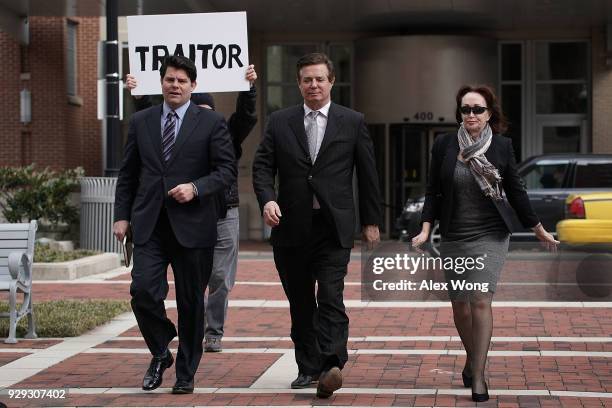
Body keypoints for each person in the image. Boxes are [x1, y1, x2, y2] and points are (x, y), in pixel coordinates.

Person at [412, 84, 558, 402]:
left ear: (489, 114)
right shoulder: (444, 145)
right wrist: (425, 230)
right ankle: (471, 357)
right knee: (460, 306)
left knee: (479, 300)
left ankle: (478, 374)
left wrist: (538, 228)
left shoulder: (502, 146)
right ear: (460, 114)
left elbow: (516, 190)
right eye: (466, 109)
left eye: (478, 109)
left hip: (491, 234)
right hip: (454, 234)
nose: (472, 114)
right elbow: (433, 190)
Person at [252, 52, 382, 398]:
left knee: (330, 295)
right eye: (307, 79)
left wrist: (371, 220)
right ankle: (307, 368)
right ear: (298, 84)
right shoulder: (280, 122)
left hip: (332, 226)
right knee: (300, 303)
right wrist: (267, 199)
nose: (313, 85)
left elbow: (368, 174)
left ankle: (331, 365)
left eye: (319, 79)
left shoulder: (351, 121)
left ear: (331, 82)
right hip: (290, 227)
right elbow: (263, 167)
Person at [113, 55, 236, 394]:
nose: (175, 85)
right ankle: (160, 348)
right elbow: (128, 173)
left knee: (191, 303)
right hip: (150, 224)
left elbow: (226, 172)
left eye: (182, 81)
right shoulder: (142, 121)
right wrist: (121, 215)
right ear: (161, 83)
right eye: (169, 79)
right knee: (142, 292)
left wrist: (196, 188)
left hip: (194, 226)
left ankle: (185, 373)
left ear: (193, 86)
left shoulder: (211, 123)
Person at [126, 65, 258, 352]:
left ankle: (213, 330)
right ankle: (191, 333)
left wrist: (249, 89)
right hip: (189, 216)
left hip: (224, 212)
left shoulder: (222, 132)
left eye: (205, 110)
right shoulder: (170, 126)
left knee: (220, 277)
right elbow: (153, 138)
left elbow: (246, 118)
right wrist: (138, 96)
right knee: (189, 285)